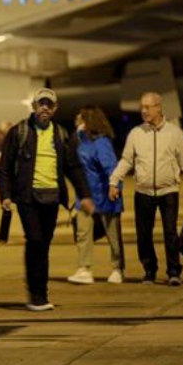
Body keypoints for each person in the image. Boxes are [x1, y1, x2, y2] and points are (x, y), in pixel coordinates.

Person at [0, 88, 94, 311]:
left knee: (44, 245)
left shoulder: (60, 134)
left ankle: (41, 293)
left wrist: (85, 195)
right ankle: (37, 296)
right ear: (33, 106)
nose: (44, 108)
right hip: (27, 198)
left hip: (51, 197)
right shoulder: (19, 132)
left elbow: (73, 168)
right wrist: (6, 195)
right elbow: (4, 167)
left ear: (55, 108)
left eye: (49, 105)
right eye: (41, 104)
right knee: (35, 241)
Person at [108, 92, 183, 286]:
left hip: (168, 191)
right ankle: (149, 270)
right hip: (143, 192)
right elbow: (126, 161)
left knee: (170, 232)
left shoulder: (173, 133)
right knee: (143, 234)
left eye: (148, 107)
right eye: (142, 107)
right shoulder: (136, 133)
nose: (144, 111)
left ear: (159, 108)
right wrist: (113, 181)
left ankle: (174, 272)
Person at [67, 106, 126, 285]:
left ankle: (118, 269)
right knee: (83, 233)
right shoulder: (79, 140)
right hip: (85, 196)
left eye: (81, 116)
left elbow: (111, 167)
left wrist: (115, 186)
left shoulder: (101, 142)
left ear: (89, 120)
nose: (77, 118)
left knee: (113, 235)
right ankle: (84, 269)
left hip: (106, 194)